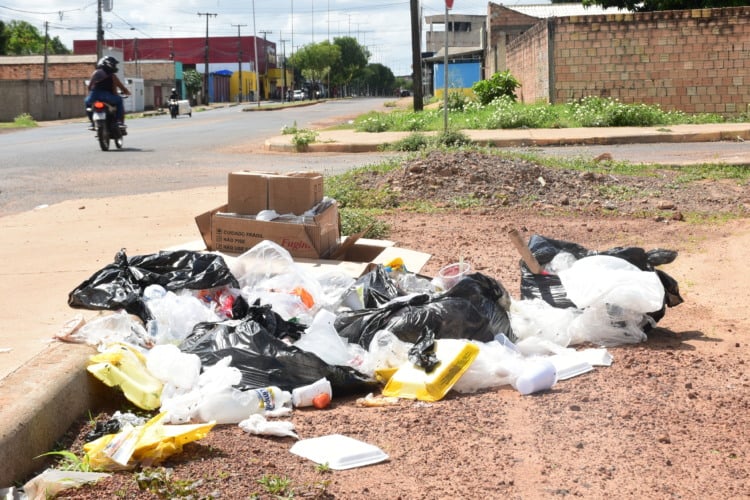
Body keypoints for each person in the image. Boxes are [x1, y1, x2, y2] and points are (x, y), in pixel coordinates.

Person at [85, 56, 131, 128]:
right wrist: (127, 92)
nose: (114, 66)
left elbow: (89, 86)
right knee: (119, 100)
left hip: (94, 95)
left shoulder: (96, 72)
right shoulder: (112, 76)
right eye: (114, 65)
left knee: (87, 102)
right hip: (107, 97)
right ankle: (119, 121)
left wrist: (90, 95)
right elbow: (121, 88)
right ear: (109, 65)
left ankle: (92, 123)